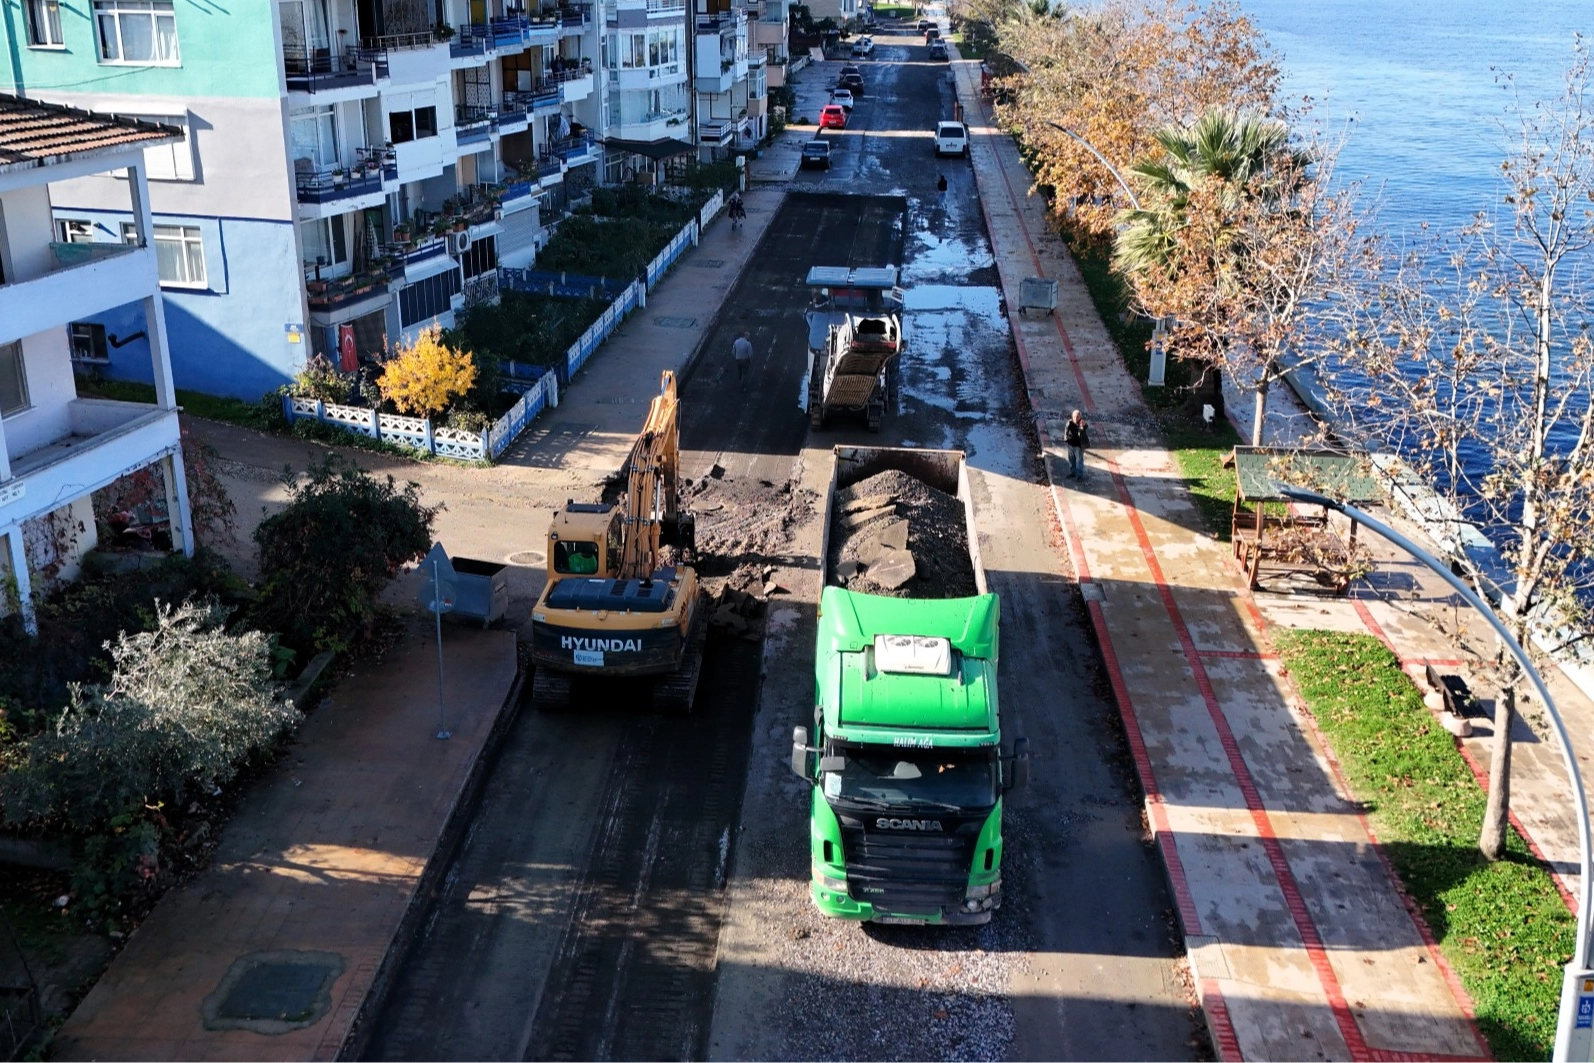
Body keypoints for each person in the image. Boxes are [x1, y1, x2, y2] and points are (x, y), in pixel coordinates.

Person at [1063, 409, 1089, 480]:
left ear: (1080, 417)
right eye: (1074, 416)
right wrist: (1066, 440)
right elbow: (1066, 431)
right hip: (1070, 445)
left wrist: (1082, 426)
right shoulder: (1069, 423)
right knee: (1071, 459)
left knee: (1079, 461)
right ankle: (1073, 472)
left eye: (1077, 417)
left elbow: (1085, 427)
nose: (1075, 418)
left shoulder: (1081, 423)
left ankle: (1079, 475)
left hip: (1078, 446)